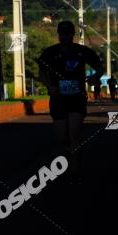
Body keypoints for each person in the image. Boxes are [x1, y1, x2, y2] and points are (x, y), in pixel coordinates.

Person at [38, 21, 103, 179]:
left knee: (74, 134)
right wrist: (49, 87)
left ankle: (75, 168)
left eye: (67, 34)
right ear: (58, 34)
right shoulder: (50, 53)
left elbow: (100, 67)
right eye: (62, 33)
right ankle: (71, 150)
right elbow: (41, 72)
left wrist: (95, 76)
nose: (64, 36)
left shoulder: (82, 51)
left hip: (76, 98)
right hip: (58, 99)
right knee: (62, 138)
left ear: (72, 35)